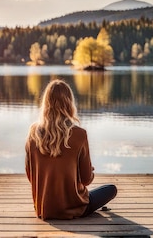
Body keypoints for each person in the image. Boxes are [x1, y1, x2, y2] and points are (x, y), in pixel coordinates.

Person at [25, 79, 117, 220]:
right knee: (111, 189)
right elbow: (86, 180)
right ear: (69, 103)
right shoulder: (79, 134)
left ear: (45, 104)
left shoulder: (33, 133)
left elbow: (31, 176)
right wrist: (89, 171)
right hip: (76, 208)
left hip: (43, 208)